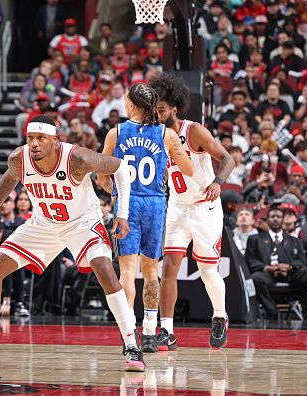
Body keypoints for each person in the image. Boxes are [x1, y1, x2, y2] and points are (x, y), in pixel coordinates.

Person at [0, 115, 145, 371]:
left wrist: (122, 214)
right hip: (43, 224)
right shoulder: (19, 159)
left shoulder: (78, 159)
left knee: (104, 268)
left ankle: (132, 346)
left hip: (82, 223)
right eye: (31, 138)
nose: (34, 144)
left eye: (41, 138)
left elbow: (120, 168)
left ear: (55, 141)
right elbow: (10, 177)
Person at [98, 83, 193, 353]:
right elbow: (186, 168)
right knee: (151, 270)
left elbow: (102, 175)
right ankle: (150, 330)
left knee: (127, 270)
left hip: (127, 204)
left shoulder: (115, 132)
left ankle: (129, 331)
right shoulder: (166, 133)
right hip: (154, 203)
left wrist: (116, 193)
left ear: (130, 105)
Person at [151, 73, 235, 350]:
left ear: (174, 108)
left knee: (207, 269)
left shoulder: (194, 131)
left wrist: (217, 182)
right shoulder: (157, 136)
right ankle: (166, 331)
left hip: (205, 208)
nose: (157, 114)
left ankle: (220, 316)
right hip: (177, 207)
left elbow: (227, 158)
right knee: (169, 268)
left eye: (161, 109)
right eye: (155, 110)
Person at [245, 206, 307, 320]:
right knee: (255, 278)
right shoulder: (255, 239)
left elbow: (301, 261)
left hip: (291, 275)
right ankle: (273, 313)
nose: (275, 219)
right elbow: (250, 260)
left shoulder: (295, 241)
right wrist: (268, 268)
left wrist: (289, 267)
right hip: (268, 275)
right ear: (267, 219)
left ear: (283, 220)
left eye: (278, 217)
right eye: (272, 216)